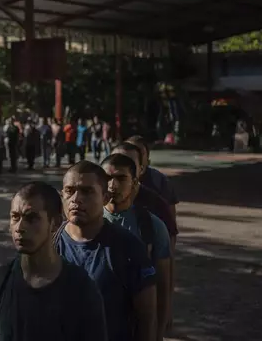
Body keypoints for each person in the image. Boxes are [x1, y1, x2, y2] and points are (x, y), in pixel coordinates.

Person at [0, 182, 108, 341]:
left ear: (55, 223)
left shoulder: (80, 288)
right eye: (15, 217)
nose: (20, 227)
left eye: (32, 218)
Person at [56, 161, 157, 341]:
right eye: (69, 191)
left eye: (87, 191)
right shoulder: (49, 244)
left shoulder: (127, 247)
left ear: (105, 197)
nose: (76, 199)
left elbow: (147, 318)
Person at [100, 154, 172, 341]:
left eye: (121, 178)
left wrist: (158, 333)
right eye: (107, 178)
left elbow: (163, 287)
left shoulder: (152, 226)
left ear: (134, 183)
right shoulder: (86, 222)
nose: (112, 185)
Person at [125, 136, 178, 231]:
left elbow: (171, 223)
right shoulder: (113, 181)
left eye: (140, 153)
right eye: (130, 151)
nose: (135, 156)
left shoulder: (161, 181)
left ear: (148, 158)